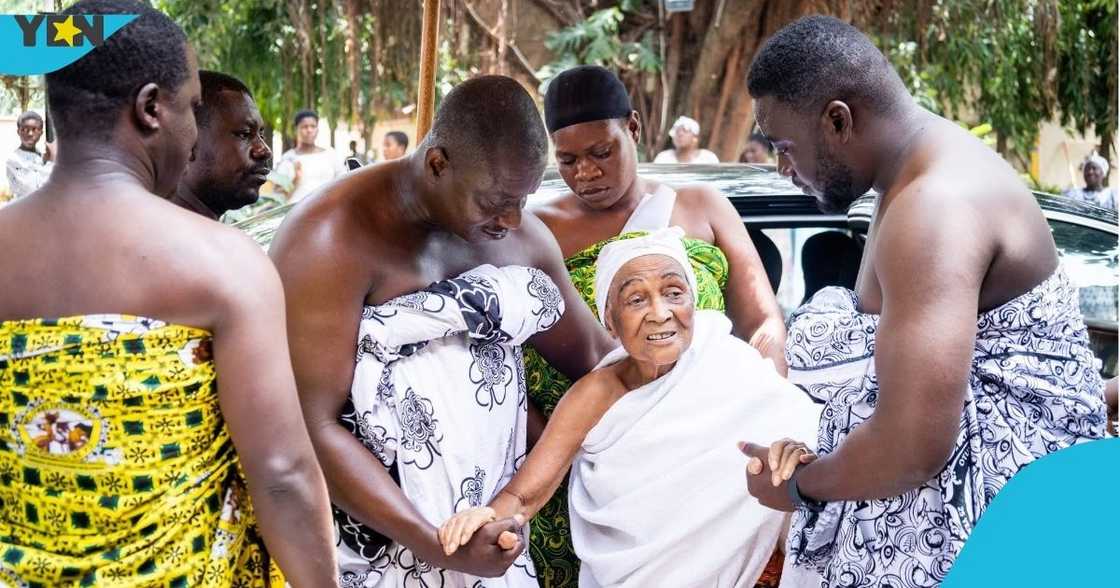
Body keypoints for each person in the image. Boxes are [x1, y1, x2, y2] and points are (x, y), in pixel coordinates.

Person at [739, 16, 1108, 587]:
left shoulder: (933, 208)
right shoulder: (912, 180)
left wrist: (792, 487)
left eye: (785, 147)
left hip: (995, 537)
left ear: (838, 120)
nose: (783, 168)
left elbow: (912, 447)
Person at [0, 1, 339, 585]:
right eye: (191, 108)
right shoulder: (224, 264)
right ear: (152, 107)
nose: (190, 130)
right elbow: (281, 474)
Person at [268, 75, 615, 586]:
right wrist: (438, 546)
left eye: (525, 198)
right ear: (437, 163)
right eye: (495, 200)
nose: (513, 220)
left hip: (491, 537)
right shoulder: (331, 238)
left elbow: (598, 361)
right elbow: (311, 427)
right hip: (380, 547)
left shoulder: (520, 241)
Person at [437, 229, 820, 588]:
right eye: (636, 299)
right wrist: (486, 517)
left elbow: (802, 434)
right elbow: (524, 497)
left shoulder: (730, 359)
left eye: (674, 293)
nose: (660, 313)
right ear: (610, 321)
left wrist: (795, 459)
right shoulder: (597, 393)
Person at [525, 65, 787, 585]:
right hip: (577, 475)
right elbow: (506, 358)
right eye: (569, 160)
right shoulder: (537, 229)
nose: (586, 173)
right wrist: (554, 453)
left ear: (635, 128)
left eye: (602, 152)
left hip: (706, 469)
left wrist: (765, 393)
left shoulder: (701, 207)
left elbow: (760, 317)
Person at [170, 70, 276, 222]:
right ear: (188, 142)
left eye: (261, 135)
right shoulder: (164, 237)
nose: (265, 151)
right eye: (244, 134)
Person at [271, 109, 346, 203]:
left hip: (327, 211)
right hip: (296, 213)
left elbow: (343, 184)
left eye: (313, 126)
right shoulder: (288, 159)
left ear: (317, 129)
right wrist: (296, 180)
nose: (309, 130)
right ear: (296, 129)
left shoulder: (330, 155)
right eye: (304, 127)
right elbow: (278, 197)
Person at [5, 111, 54, 201]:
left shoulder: (41, 157)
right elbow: (33, 190)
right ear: (18, 132)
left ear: (41, 132)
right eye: (25, 130)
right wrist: (50, 163)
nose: (30, 134)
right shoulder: (14, 160)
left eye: (34, 129)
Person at [653, 116, 720, 164]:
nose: (680, 134)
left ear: (695, 138)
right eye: (677, 131)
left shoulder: (708, 158)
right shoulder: (663, 158)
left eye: (685, 131)